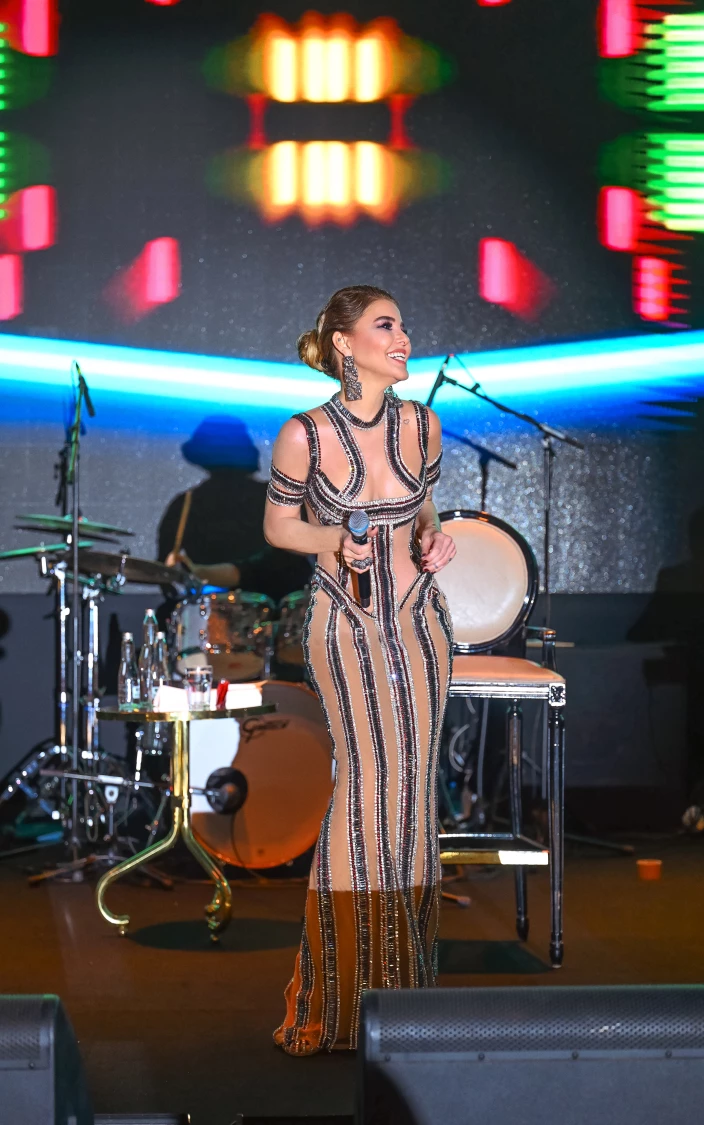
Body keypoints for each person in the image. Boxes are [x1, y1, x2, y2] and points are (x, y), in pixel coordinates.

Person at [264, 285, 456, 1055]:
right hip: (344, 623)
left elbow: (424, 512)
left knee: (414, 791)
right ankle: (341, 997)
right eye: (386, 325)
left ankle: (405, 993)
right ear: (345, 344)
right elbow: (280, 524)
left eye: (404, 324)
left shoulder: (422, 425)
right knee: (366, 791)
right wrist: (330, 542)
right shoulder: (303, 434)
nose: (404, 337)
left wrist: (434, 540)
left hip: (421, 623)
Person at [158, 415, 312, 602]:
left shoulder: (184, 505)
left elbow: (164, 576)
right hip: (276, 613)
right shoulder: (280, 499)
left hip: (206, 615)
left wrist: (199, 574)